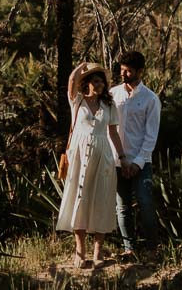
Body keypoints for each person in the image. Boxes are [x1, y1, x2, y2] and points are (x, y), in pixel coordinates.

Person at [56, 62, 127, 269]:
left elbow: (113, 132)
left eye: (101, 81)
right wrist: (80, 67)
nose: (100, 85)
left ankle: (98, 251)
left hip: (103, 155)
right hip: (79, 155)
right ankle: (80, 252)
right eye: (95, 81)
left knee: (102, 201)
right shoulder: (77, 101)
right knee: (80, 200)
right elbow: (70, 81)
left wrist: (122, 157)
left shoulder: (109, 104)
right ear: (87, 83)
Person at [110, 50, 160, 261]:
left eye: (129, 71)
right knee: (122, 207)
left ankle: (152, 249)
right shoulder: (113, 94)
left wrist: (137, 163)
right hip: (117, 160)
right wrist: (121, 160)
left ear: (140, 71)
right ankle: (129, 249)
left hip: (141, 162)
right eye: (122, 70)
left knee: (145, 203)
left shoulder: (150, 99)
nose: (124, 74)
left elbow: (151, 135)